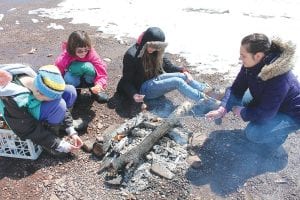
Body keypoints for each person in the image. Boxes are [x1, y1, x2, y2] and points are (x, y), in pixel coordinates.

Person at [205, 33, 300, 152]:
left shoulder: (279, 76)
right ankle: (263, 123)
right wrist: (222, 109)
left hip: (291, 113)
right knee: (240, 99)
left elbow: (266, 113)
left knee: (253, 134)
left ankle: (278, 136)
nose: (240, 59)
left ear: (258, 55)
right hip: (268, 102)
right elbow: (236, 89)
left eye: (243, 56)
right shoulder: (250, 65)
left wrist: (243, 112)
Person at [117, 27, 220, 107]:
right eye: (152, 46)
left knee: (182, 76)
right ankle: (206, 101)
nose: (154, 49)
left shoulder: (156, 50)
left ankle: (208, 91)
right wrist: (134, 94)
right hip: (142, 88)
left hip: (154, 80)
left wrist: (183, 71)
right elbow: (127, 81)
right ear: (145, 42)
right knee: (177, 82)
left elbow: (168, 66)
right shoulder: (132, 55)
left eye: (158, 46)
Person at [0, 64, 85, 157]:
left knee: (69, 91)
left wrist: (71, 130)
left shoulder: (36, 79)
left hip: (33, 105)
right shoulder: (12, 99)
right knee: (59, 104)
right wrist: (58, 144)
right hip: (22, 120)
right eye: (48, 99)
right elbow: (27, 129)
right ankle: (50, 144)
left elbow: (57, 97)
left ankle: (61, 124)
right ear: (39, 93)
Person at [55, 30, 109, 103]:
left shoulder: (91, 54)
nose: (83, 53)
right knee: (69, 77)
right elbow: (57, 72)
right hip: (73, 77)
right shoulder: (65, 56)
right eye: (80, 51)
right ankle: (74, 92)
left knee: (90, 67)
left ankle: (94, 91)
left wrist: (99, 85)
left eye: (86, 50)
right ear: (72, 49)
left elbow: (101, 71)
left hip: (88, 77)